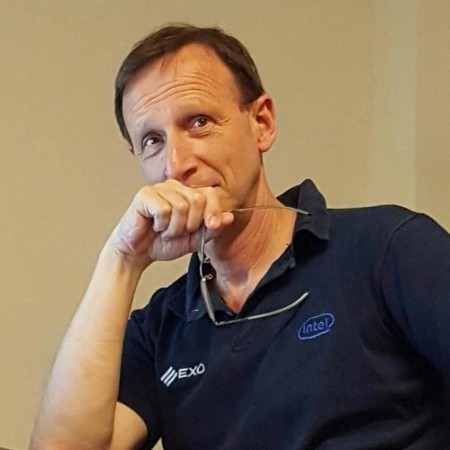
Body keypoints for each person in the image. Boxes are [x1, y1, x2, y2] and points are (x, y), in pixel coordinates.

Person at [30, 24, 450, 450]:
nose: (175, 164)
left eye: (199, 122)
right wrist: (121, 260)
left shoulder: (387, 248)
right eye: (152, 141)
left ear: (262, 123)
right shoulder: (161, 329)